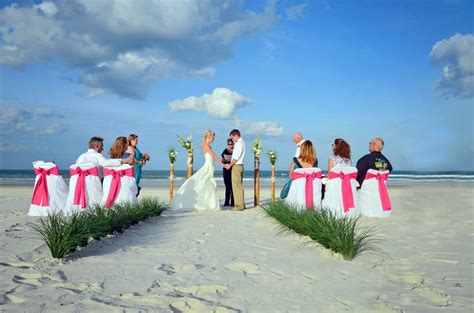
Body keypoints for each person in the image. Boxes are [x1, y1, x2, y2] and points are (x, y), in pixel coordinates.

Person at [171, 130, 224, 211]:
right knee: (207, 183)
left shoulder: (208, 146)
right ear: (208, 137)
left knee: (208, 184)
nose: (213, 140)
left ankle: (209, 203)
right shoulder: (206, 146)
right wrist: (223, 164)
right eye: (212, 138)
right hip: (208, 166)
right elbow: (214, 156)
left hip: (211, 166)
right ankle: (211, 204)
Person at [224, 129, 246, 211]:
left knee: (236, 186)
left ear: (235, 135)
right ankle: (242, 204)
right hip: (240, 165)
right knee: (239, 186)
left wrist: (230, 164)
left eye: (232, 137)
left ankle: (239, 206)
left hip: (236, 166)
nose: (232, 139)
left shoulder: (238, 144)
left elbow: (236, 157)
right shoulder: (243, 143)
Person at [221, 138, 235, 207]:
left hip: (233, 169)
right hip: (226, 170)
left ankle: (233, 202)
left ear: (233, 144)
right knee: (227, 186)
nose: (230, 145)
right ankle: (226, 202)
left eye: (231, 144)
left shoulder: (235, 151)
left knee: (233, 186)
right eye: (228, 144)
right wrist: (224, 160)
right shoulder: (225, 151)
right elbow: (222, 161)